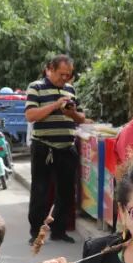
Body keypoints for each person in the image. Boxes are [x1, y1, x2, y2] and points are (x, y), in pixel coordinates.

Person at [25, 55, 88, 246]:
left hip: (67, 147)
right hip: (43, 146)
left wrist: (72, 113)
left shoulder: (70, 89)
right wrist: (55, 105)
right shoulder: (36, 87)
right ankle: (36, 232)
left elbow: (81, 118)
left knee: (66, 192)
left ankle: (59, 231)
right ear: (50, 69)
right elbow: (30, 115)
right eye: (61, 74)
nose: (65, 78)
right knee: (40, 191)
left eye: (68, 75)